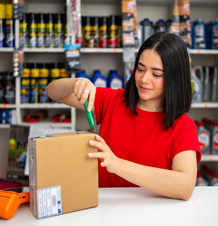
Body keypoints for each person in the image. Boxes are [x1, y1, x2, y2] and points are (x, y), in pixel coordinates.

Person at [46, 32, 201, 200]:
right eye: (140, 69)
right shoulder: (114, 101)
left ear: (174, 79)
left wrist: (117, 165)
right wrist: (77, 83)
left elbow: (184, 187)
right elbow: (52, 91)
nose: (144, 79)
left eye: (156, 74)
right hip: (104, 210)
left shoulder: (183, 126)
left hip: (153, 216)